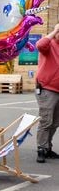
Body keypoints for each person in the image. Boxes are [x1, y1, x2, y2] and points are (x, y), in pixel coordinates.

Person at [35, 21, 59, 163]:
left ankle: (48, 148)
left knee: (55, 122)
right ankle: (41, 149)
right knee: (46, 120)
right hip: (46, 89)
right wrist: (54, 31)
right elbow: (39, 45)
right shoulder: (49, 44)